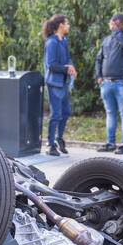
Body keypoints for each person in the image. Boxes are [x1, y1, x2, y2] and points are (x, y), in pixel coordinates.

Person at [94, 13, 123, 154]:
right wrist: (99, 76)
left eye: (115, 24)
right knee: (110, 113)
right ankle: (110, 143)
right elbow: (99, 59)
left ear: (121, 24)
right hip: (106, 83)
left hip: (122, 82)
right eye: (112, 23)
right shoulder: (107, 39)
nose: (112, 26)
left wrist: (118, 32)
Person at [42, 14, 77, 156]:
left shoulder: (64, 41)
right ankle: (50, 145)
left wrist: (72, 67)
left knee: (66, 112)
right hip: (54, 83)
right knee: (56, 114)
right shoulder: (51, 42)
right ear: (61, 25)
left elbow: (67, 59)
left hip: (64, 83)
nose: (68, 26)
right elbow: (51, 65)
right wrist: (67, 69)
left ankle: (59, 139)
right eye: (67, 23)